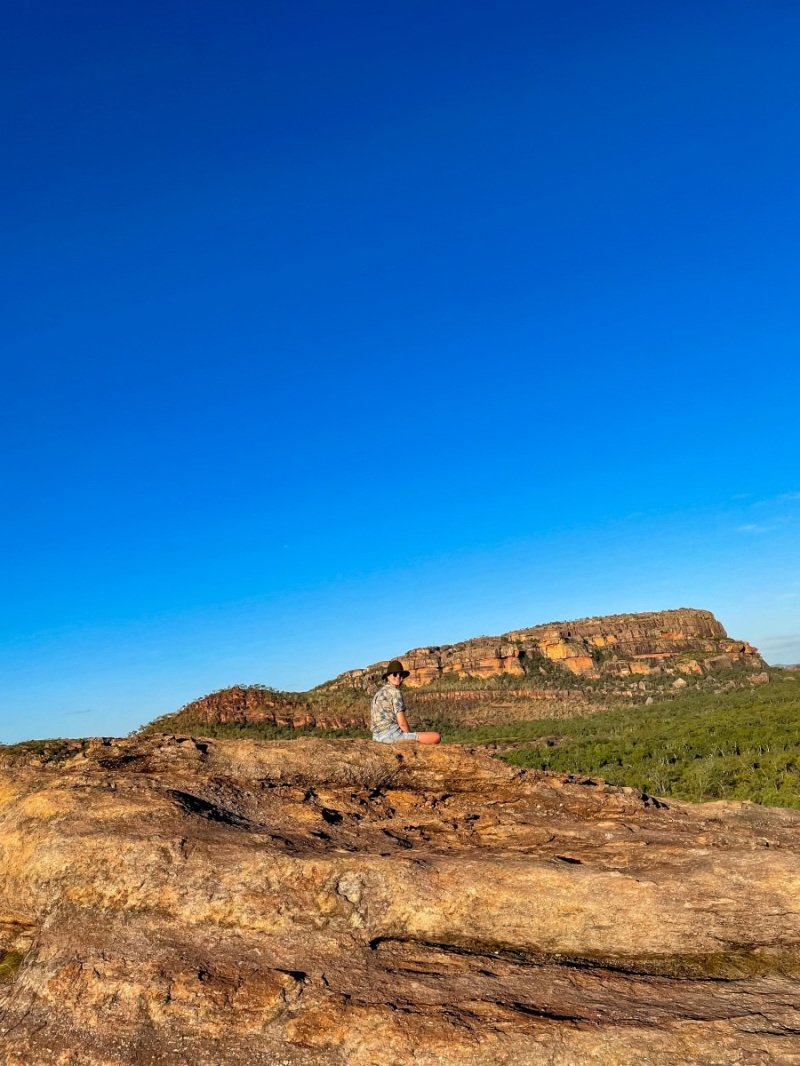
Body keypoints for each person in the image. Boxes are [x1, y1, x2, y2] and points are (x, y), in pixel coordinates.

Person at [371, 660, 441, 744]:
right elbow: (402, 724)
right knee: (436, 736)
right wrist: (408, 739)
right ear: (388, 676)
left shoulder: (378, 693)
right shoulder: (395, 692)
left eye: (401, 675)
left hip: (376, 737)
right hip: (391, 736)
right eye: (395, 674)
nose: (398, 677)